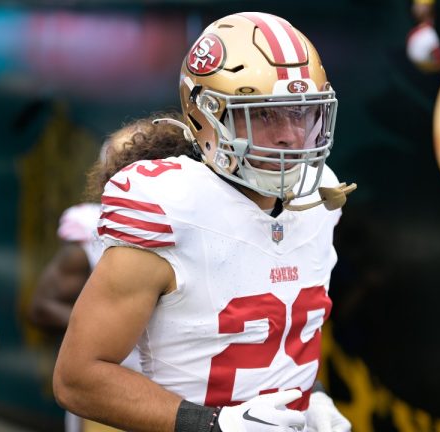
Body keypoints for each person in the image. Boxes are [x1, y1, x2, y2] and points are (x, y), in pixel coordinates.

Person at [53, 12, 354, 432]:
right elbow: (78, 378)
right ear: (208, 116)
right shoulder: (169, 207)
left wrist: (313, 394)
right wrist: (212, 425)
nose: (290, 135)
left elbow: (268, 342)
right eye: (265, 115)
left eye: (301, 111)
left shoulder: (319, 197)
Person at [28, 113, 193, 432]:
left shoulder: (196, 226)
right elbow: (41, 307)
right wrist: (111, 329)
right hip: (113, 396)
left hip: (176, 394)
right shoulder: (92, 229)